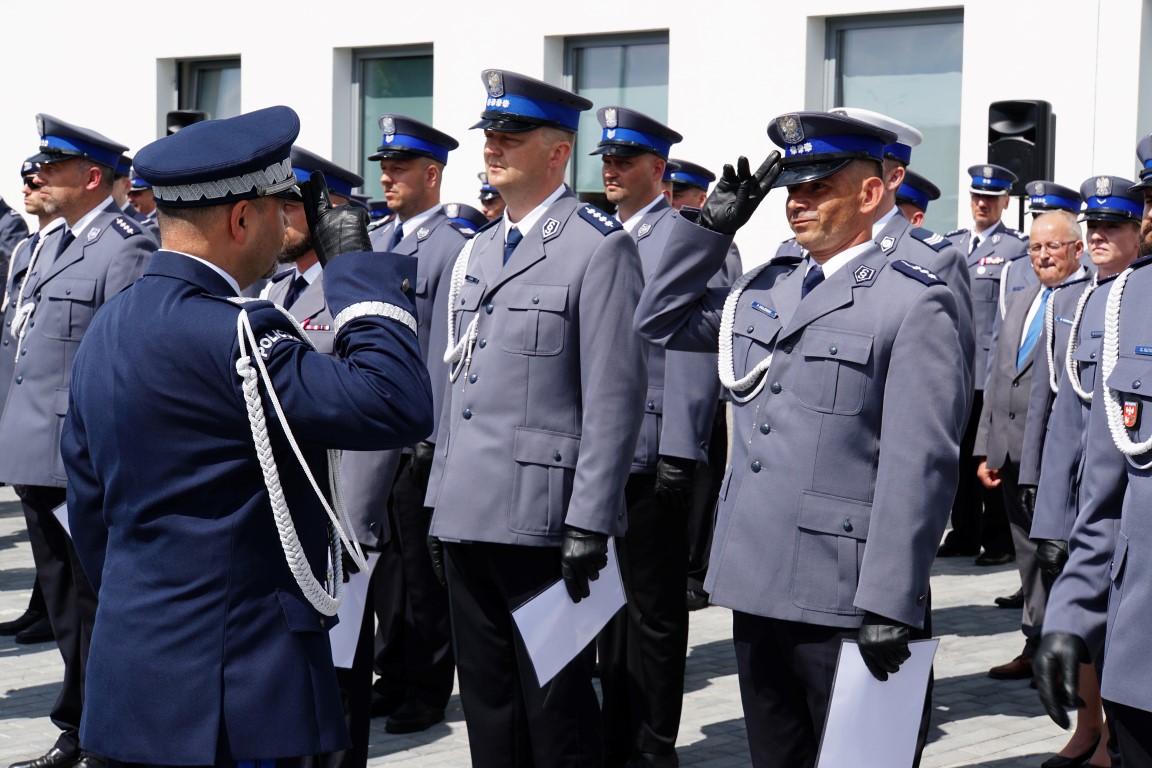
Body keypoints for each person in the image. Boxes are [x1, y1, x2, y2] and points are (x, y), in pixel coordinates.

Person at [61, 104, 434, 766]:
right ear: (241, 218)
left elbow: (92, 520)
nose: (288, 227)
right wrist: (350, 263)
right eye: (279, 210)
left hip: (134, 689)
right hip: (240, 699)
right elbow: (395, 402)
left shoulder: (109, 327)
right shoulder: (240, 335)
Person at [634, 110, 966, 768]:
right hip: (759, 585)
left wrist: (892, 599)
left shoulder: (914, 299)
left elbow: (918, 464)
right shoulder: (770, 284)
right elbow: (659, 319)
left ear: (871, 194)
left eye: (818, 187)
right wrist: (709, 230)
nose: (797, 203)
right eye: (792, 189)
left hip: (851, 599)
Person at [424, 69, 646, 768]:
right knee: (489, 708)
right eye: (490, 134)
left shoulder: (597, 246)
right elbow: (458, 389)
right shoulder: (479, 250)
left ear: (557, 152)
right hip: (467, 512)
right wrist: (439, 501)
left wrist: (590, 518)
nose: (493, 147)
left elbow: (613, 396)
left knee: (557, 712)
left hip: (544, 522)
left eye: (511, 136)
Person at [0, 114, 158, 768]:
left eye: (53, 166)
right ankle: (80, 723)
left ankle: (101, 733)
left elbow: (122, 363)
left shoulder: (125, 246)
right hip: (39, 454)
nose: (38, 176)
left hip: (81, 459)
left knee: (93, 605)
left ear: (91, 176)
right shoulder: (55, 244)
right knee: (68, 605)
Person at [590, 106, 712, 768]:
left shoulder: (683, 236)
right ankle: (617, 731)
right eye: (606, 161)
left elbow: (694, 350)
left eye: (625, 161)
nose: (611, 171)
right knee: (606, 608)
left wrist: (679, 449)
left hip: (650, 452)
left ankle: (654, 743)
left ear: (658, 170)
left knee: (656, 614)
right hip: (597, 456)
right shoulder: (598, 235)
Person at [261, 145, 381, 768]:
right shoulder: (279, 288)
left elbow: (376, 416)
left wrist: (353, 535)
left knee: (336, 695)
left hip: (336, 530)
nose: (277, 217)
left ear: (327, 209)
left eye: (292, 204)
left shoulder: (351, 290)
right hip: (288, 525)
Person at [1035, 150, 1152, 767]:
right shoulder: (1106, 305)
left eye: (1116, 223)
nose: (1099, 235)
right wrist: (1070, 607)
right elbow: (1071, 429)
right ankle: (1094, 732)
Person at [361, 113, 465, 735]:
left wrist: (433, 435)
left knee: (422, 575)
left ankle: (427, 686)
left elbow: (447, 350)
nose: (388, 177)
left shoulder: (451, 246)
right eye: (384, 166)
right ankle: (391, 672)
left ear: (432, 174)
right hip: (376, 430)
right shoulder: (378, 240)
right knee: (384, 569)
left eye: (400, 168)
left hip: (417, 433)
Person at [974, 210, 1087, 685]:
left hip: (1051, 462)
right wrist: (985, 448)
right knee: (1026, 559)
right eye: (1035, 248)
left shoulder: (1086, 301)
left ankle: (1070, 653)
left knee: (1058, 559)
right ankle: (1034, 639)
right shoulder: (1021, 300)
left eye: (1053, 247)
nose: (1042, 256)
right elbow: (998, 376)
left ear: (1076, 250)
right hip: (1009, 455)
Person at [939, 163, 1030, 565]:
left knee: (989, 458)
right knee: (957, 456)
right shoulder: (952, 244)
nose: (982, 204)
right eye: (977, 197)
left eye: (991, 199)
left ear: (1005, 204)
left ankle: (999, 541)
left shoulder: (1016, 249)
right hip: (954, 370)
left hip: (990, 372)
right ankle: (964, 533)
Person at [663, 157, 742, 612]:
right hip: (671, 386)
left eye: (683, 193)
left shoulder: (715, 248)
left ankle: (696, 570)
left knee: (700, 483)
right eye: (671, 192)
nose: (675, 201)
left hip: (704, 385)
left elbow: (715, 322)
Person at [0, 158, 63, 648]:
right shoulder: (29, 247)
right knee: (49, 553)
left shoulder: (121, 243)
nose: (30, 185)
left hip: (62, 432)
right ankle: (40, 607)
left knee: (76, 580)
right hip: (24, 418)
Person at [126, 169, 159, 240]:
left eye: (136, 194)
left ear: (153, 194)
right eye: (128, 194)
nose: (130, 199)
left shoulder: (161, 224)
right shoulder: (126, 220)